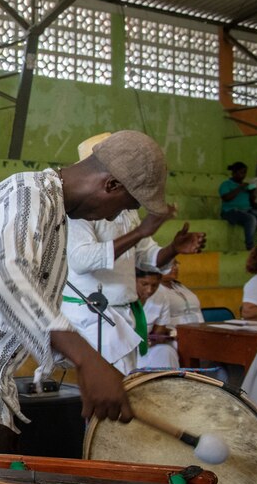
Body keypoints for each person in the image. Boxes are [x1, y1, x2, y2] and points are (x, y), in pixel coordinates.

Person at [0, 130, 171, 464]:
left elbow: (36, 305)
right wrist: (87, 359)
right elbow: (10, 277)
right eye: (121, 207)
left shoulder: (56, 215)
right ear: (110, 185)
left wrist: (87, 366)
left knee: (5, 471)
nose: (114, 218)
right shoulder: (26, 192)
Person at [61, 134, 206, 375]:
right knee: (111, 390)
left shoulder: (126, 212)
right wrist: (139, 232)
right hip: (93, 315)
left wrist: (173, 249)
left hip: (123, 313)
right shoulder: (78, 211)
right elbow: (81, 259)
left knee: (123, 388)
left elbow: (145, 255)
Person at [220, 161, 257, 249]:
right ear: (234, 172)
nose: (243, 175)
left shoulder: (245, 186)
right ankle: (249, 246)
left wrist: (251, 193)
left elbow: (252, 204)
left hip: (247, 210)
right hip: (230, 212)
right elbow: (226, 198)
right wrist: (240, 187)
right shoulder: (226, 184)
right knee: (251, 219)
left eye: (245, 173)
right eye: (241, 172)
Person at [134, 269, 179, 369]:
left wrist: (156, 339)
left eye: (155, 285)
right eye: (144, 284)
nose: (150, 290)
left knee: (166, 351)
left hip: (146, 347)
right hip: (124, 348)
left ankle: (168, 383)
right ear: (134, 280)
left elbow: (158, 332)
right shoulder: (124, 298)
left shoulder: (161, 297)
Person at [155, 261, 205, 327]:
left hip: (198, 330)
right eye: (169, 264)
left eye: (175, 264)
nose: (175, 267)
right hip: (174, 332)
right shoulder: (154, 290)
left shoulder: (179, 286)